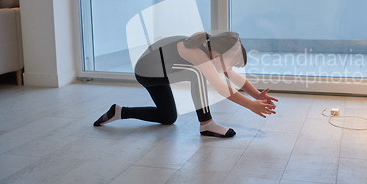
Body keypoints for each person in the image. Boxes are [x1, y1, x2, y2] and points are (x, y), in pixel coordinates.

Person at [93, 31, 278, 138]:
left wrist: (256, 95)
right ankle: (207, 124)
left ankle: (120, 112)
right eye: (231, 63)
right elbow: (222, 88)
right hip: (147, 71)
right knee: (196, 73)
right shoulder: (198, 54)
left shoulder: (211, 50)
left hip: (157, 71)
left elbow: (232, 76)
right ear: (218, 56)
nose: (230, 69)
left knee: (167, 117)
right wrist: (251, 106)